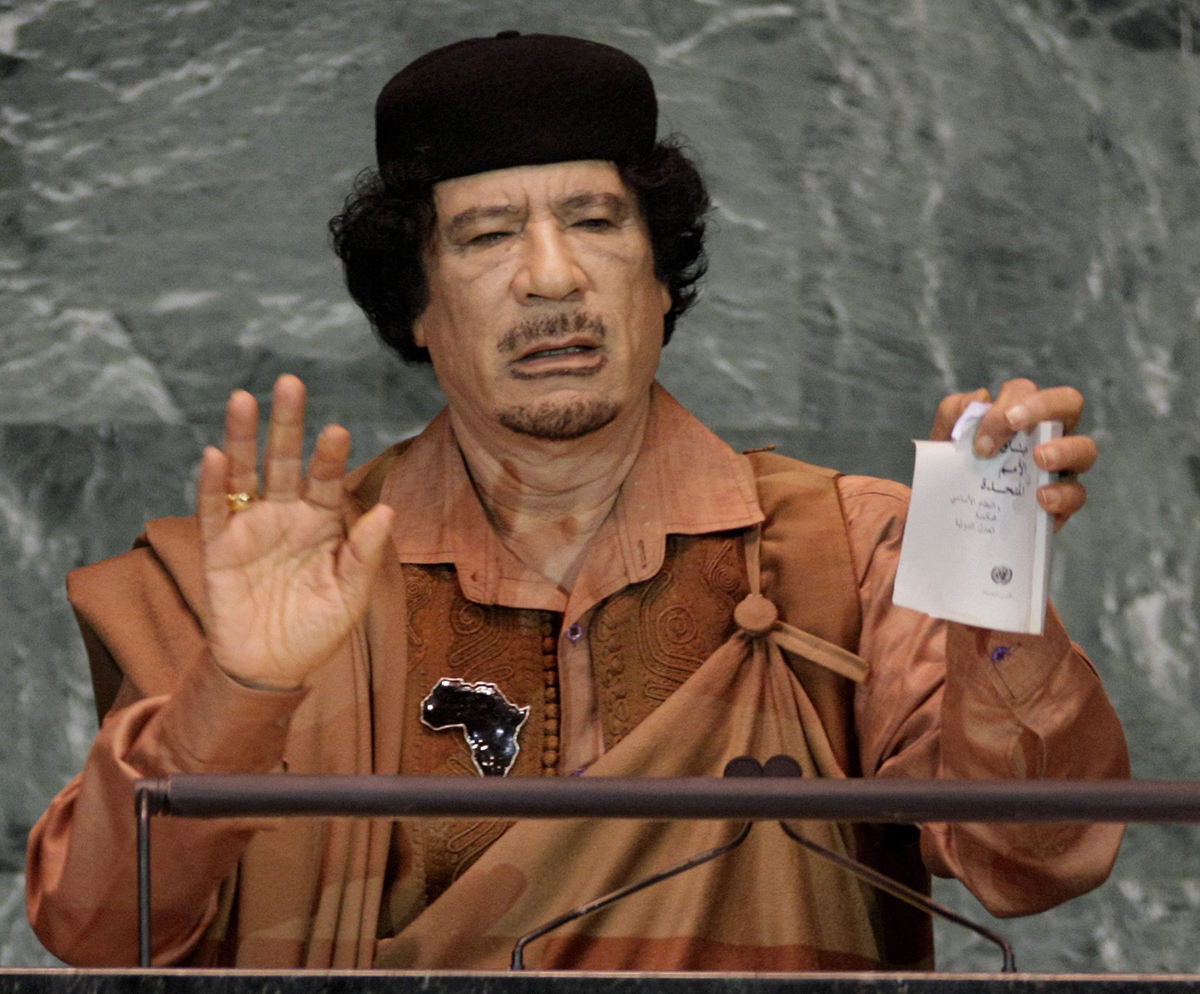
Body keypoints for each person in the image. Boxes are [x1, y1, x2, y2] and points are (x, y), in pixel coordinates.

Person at [26, 32, 1128, 972]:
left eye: (596, 223)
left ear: (659, 280)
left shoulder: (855, 545)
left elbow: (1030, 860)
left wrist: (991, 587)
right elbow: (92, 927)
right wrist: (244, 687)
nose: (552, 279)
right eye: (489, 234)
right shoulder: (268, 585)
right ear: (416, 304)